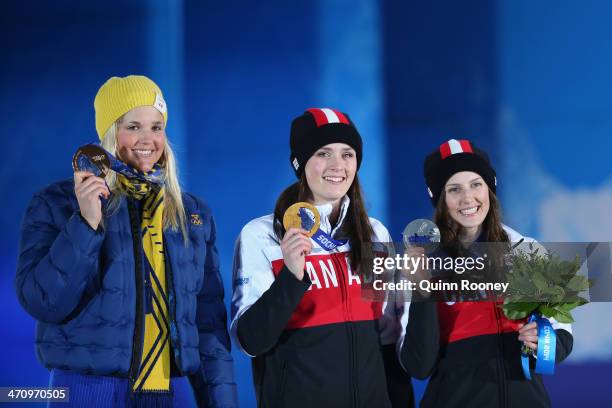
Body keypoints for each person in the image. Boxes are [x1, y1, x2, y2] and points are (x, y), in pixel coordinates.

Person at [15, 75, 237, 407]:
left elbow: (208, 328)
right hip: (84, 394)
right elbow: (43, 301)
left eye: (157, 127)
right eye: (133, 126)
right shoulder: (57, 203)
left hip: (164, 395)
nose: (148, 139)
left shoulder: (192, 214)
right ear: (109, 131)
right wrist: (87, 224)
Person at [230, 108, 412, 407]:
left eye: (347, 154)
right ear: (300, 163)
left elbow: (388, 341)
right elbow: (250, 341)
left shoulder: (375, 233)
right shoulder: (263, 235)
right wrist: (290, 276)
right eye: (323, 153)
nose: (337, 165)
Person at [399, 139, 574, 407]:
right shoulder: (421, 264)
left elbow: (562, 333)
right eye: (454, 189)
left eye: (476, 184)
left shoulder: (526, 250)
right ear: (440, 199)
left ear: (490, 188)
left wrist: (543, 342)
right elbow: (418, 366)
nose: (468, 198)